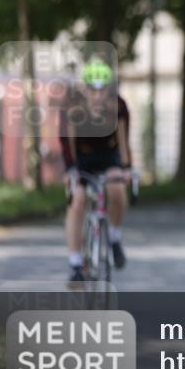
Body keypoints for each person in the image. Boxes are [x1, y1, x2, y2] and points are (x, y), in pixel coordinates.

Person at [59, 60, 132, 282]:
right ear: (85, 89)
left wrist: (127, 169)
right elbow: (66, 141)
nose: (98, 96)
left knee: (118, 190)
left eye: (102, 90)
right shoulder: (72, 107)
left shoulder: (118, 106)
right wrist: (70, 170)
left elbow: (124, 141)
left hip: (108, 156)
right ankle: (75, 264)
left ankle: (114, 238)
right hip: (81, 158)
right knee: (78, 200)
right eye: (93, 90)